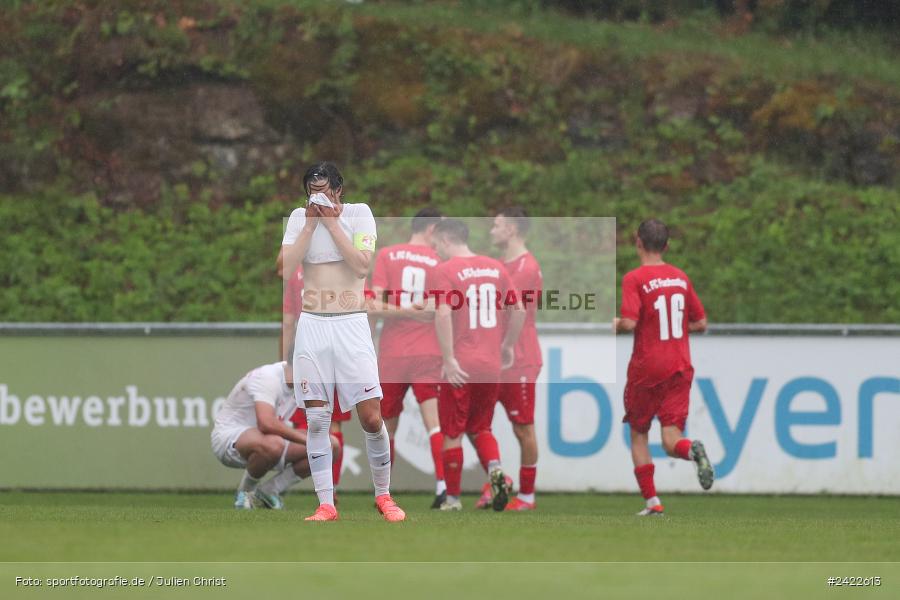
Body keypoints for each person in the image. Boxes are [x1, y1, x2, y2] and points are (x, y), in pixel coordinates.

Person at [280, 161, 404, 522]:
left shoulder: (359, 214)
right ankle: (326, 504)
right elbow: (286, 268)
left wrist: (331, 223)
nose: (317, 196)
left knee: (370, 416)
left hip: (350, 324)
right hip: (313, 325)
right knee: (317, 418)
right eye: (311, 190)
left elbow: (361, 264)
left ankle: (384, 496)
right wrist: (309, 224)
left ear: (338, 189)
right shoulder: (297, 218)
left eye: (323, 189)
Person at [614, 218, 714, 516]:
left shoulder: (635, 278)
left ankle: (652, 502)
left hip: (648, 368)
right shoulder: (680, 277)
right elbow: (701, 323)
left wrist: (615, 325)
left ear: (638, 242)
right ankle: (691, 449)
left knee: (639, 433)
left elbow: (630, 322)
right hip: (680, 366)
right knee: (672, 440)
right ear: (667, 245)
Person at [430, 218, 525, 511]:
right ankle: (496, 471)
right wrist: (507, 346)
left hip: (462, 361)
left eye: (436, 245)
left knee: (452, 431)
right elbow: (519, 309)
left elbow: (443, 314)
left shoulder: (444, 270)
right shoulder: (495, 267)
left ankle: (454, 500)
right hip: (491, 362)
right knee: (482, 427)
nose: (435, 251)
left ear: (446, 240)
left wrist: (448, 359)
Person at [369, 207, 448, 509]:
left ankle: (383, 494)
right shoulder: (440, 261)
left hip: (393, 351)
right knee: (434, 423)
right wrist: (417, 312)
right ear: (431, 231)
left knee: (387, 426)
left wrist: (399, 311)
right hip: (428, 351)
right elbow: (439, 309)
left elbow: (372, 305)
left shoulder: (388, 255)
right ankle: (443, 489)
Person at [211, 360, 339, 510]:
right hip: (228, 440)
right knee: (274, 444)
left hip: (271, 439)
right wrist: (308, 441)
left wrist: (318, 436)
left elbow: (315, 421)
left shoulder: (303, 382)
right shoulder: (267, 377)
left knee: (331, 445)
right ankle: (245, 492)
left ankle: (268, 491)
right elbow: (266, 424)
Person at [279, 261, 353, 493]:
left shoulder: (296, 275)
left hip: (308, 352)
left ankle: (323, 492)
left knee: (313, 420)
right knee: (335, 424)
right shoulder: (346, 269)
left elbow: (289, 321)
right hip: (339, 351)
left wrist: (285, 363)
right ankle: (334, 489)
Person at [488, 207, 543, 511]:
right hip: (494, 358)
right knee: (476, 422)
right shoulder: (499, 265)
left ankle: (527, 496)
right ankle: (498, 479)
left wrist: (507, 346)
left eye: (496, 225)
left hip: (519, 357)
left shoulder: (525, 267)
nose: (492, 230)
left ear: (511, 229)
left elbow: (517, 313)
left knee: (523, 427)